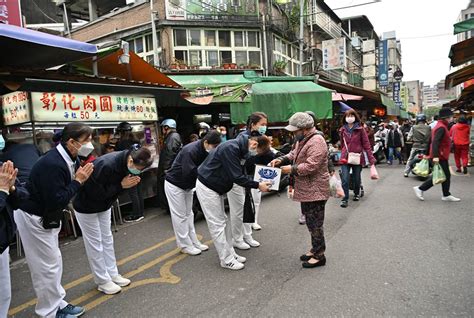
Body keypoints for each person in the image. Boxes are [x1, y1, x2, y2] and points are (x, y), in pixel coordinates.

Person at [14, 123, 94, 318]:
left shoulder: (71, 157)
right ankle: (48, 311)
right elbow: (57, 199)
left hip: (47, 216)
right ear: (72, 142)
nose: (90, 145)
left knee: (53, 262)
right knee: (45, 267)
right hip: (34, 216)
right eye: (86, 141)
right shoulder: (53, 163)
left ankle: (57, 302)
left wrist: (77, 179)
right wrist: (78, 181)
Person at [73, 146, 152, 295]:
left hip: (105, 205)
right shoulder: (106, 165)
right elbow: (94, 193)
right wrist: (121, 185)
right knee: (95, 244)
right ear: (130, 160)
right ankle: (102, 281)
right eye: (137, 168)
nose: (137, 171)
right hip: (87, 206)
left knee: (107, 239)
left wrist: (121, 186)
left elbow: (110, 191)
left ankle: (112, 273)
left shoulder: (126, 163)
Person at [195, 132, 272, 270]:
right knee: (217, 224)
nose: (254, 155)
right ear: (254, 144)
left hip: (216, 186)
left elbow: (241, 172)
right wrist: (258, 185)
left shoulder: (240, 149)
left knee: (223, 222)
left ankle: (230, 253)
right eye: (257, 151)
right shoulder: (231, 148)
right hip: (208, 186)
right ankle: (226, 259)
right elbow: (237, 176)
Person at [270, 112, 330, 268]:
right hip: (306, 188)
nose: (293, 133)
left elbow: (311, 166)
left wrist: (290, 169)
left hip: (315, 188)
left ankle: (319, 255)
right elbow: (293, 154)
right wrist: (281, 159)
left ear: (304, 128)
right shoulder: (303, 139)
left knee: (315, 223)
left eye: (295, 130)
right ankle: (314, 249)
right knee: (310, 222)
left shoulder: (317, 141)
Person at [165, 131, 221, 256]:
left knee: (189, 214)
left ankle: (194, 241)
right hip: (175, 184)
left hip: (188, 185)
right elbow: (189, 172)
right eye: (214, 146)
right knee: (180, 216)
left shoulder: (205, 149)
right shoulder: (190, 150)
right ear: (206, 142)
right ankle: (185, 245)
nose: (215, 149)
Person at [228, 112, 268, 250]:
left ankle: (247, 235)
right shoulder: (243, 138)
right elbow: (244, 161)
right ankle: (237, 239)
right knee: (239, 211)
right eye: (262, 124)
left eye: (265, 125)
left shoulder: (256, 137)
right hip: (239, 178)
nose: (264, 127)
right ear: (253, 124)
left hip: (247, 176)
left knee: (247, 206)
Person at [413, 108, 461, 202]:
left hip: (440, 155)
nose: (452, 118)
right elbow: (435, 142)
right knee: (439, 176)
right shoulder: (441, 127)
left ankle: (446, 194)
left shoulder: (440, 126)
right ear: (446, 118)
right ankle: (420, 189)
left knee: (444, 175)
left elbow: (431, 140)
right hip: (439, 155)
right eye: (451, 117)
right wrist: (435, 156)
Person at [0, 161, 28, 317]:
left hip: (2, 243)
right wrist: (3, 191)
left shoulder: (2, 169)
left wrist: (11, 188)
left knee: (4, 294)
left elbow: (21, 200)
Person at [338, 109, 376, 208]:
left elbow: (367, 145)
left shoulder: (360, 129)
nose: (349, 118)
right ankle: (344, 198)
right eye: (347, 116)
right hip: (345, 158)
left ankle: (356, 192)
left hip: (357, 157)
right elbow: (342, 144)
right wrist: (342, 153)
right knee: (345, 179)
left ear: (355, 117)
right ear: (345, 118)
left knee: (356, 178)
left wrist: (371, 160)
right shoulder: (342, 130)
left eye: (351, 116)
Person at [114, 122, 144, 223]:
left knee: (133, 192)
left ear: (122, 132)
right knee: (138, 191)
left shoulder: (121, 143)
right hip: (138, 168)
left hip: (130, 169)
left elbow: (117, 156)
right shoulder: (136, 140)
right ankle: (141, 212)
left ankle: (136, 214)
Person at [157, 119, 182, 212]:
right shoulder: (172, 137)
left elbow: (170, 154)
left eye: (163, 128)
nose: (162, 130)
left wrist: (166, 169)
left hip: (169, 170)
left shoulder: (172, 137)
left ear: (166, 127)